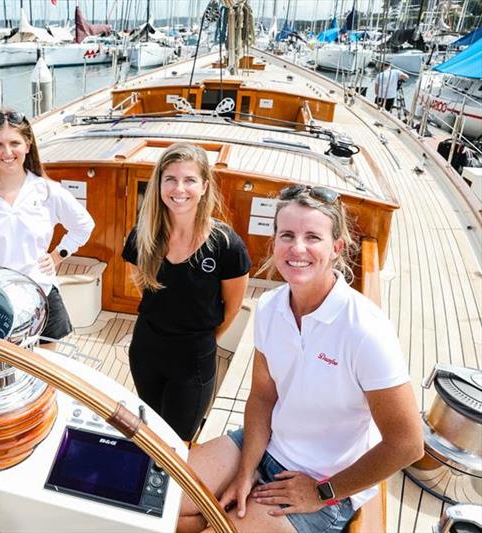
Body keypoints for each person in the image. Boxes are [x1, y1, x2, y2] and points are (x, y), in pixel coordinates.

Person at [178, 185, 423, 533]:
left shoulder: (365, 330)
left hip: (324, 482)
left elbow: (407, 444)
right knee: (159, 502)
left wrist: (322, 492)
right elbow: (263, 397)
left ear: (336, 248)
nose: (297, 248)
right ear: (274, 242)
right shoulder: (269, 307)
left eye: (313, 237)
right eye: (287, 235)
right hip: (263, 445)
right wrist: (245, 473)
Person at [122, 143, 250, 442]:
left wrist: (203, 339)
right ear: (159, 184)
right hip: (146, 350)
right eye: (171, 179)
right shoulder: (142, 235)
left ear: (204, 186)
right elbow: (144, 286)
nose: (179, 188)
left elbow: (232, 306)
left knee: (177, 441)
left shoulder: (226, 246)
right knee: (149, 431)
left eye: (189, 180)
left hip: (193, 359)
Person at [0, 108, 94, 342]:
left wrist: (59, 255)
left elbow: (84, 225)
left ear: (28, 145)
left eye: (14, 143)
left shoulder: (47, 190)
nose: (7, 152)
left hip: (42, 293)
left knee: (48, 372)